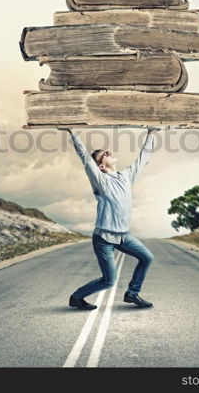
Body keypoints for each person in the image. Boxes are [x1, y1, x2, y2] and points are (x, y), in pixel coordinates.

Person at [58, 127, 160, 310]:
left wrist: (151, 133)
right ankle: (76, 298)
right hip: (103, 239)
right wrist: (71, 132)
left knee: (147, 257)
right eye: (103, 154)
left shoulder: (127, 176)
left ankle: (132, 294)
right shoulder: (101, 181)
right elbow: (85, 158)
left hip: (123, 236)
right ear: (101, 167)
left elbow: (143, 158)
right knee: (108, 281)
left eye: (107, 151)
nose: (108, 152)